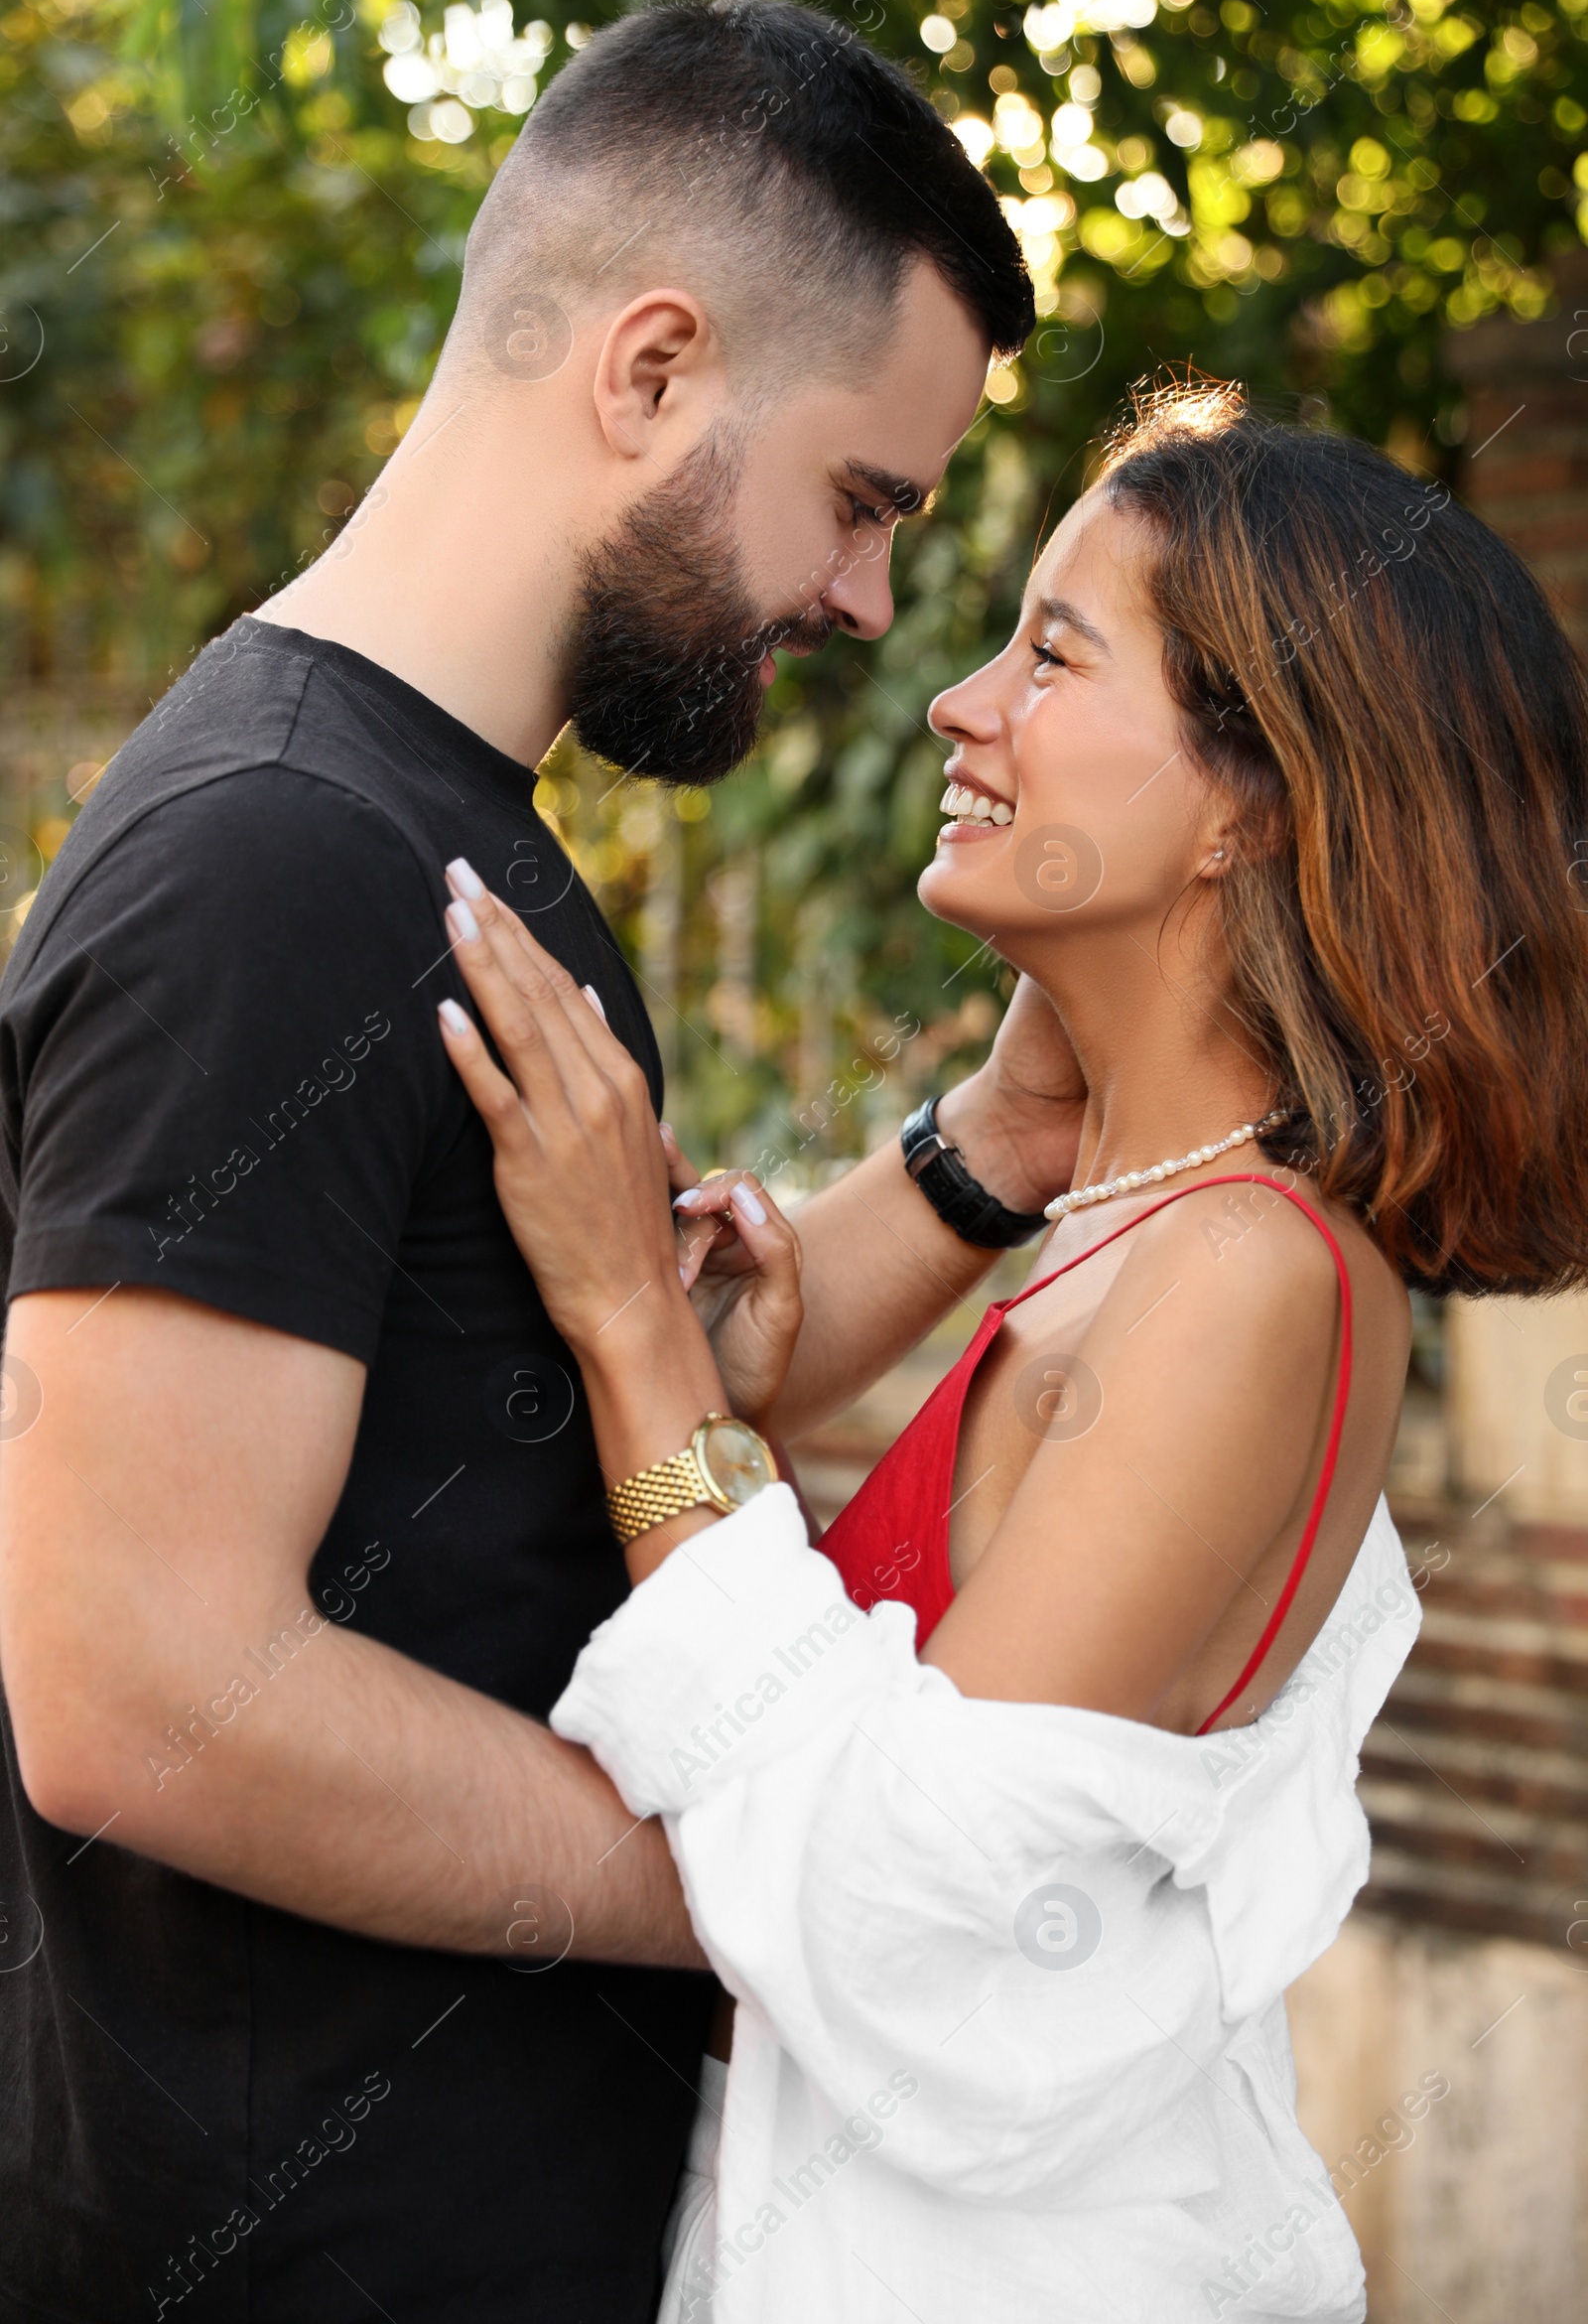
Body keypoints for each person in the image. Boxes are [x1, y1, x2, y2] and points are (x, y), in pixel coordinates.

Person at [0, 0, 1046, 2324]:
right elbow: (139, 1686)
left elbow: (564, 1441)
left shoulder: (436, 836)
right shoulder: (271, 864)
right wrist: (743, 1888)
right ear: (651, 370)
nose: (866, 602)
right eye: (859, 500)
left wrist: (1005, 1138)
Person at [434, 381, 1588, 2323]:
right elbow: (863, 1725)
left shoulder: (1248, 1274)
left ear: (1249, 795)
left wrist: (631, 1330)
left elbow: (903, 1922)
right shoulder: (1133, 1230)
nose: (957, 705)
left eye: (1049, 654)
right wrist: (725, 1402)